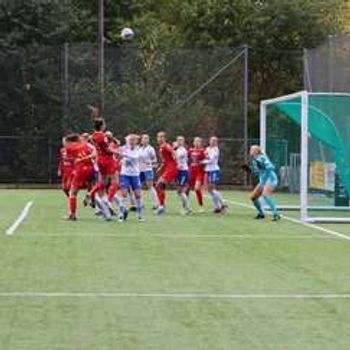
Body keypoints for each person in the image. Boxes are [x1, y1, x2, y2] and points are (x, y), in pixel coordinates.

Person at [64, 134, 95, 221]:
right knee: (92, 185)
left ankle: (72, 215)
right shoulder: (86, 145)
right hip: (91, 168)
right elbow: (94, 152)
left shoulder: (70, 148)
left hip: (81, 169)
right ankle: (90, 196)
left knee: (72, 192)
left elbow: (68, 156)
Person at [249, 145, 281, 221]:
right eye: (250, 149)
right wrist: (250, 171)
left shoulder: (262, 158)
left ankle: (276, 214)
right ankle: (261, 213)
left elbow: (271, 167)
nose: (250, 151)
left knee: (265, 194)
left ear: (257, 151)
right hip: (263, 181)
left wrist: (264, 178)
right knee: (253, 197)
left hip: (271, 179)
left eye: (252, 149)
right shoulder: (254, 160)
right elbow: (258, 172)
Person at [117, 134, 144, 222]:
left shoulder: (138, 150)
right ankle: (121, 214)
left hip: (135, 175)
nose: (132, 142)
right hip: (125, 174)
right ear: (127, 141)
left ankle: (140, 215)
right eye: (130, 140)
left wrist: (123, 154)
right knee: (123, 194)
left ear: (136, 141)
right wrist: (119, 157)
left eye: (134, 140)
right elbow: (117, 156)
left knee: (138, 195)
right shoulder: (123, 148)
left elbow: (135, 157)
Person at [155, 131, 178, 215]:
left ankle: (162, 206)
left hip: (171, 169)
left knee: (159, 185)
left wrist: (176, 159)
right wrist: (160, 168)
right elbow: (165, 161)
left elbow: (172, 152)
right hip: (168, 169)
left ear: (164, 138)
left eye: (161, 137)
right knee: (160, 186)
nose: (160, 139)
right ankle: (162, 206)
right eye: (158, 137)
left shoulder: (165, 145)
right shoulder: (161, 147)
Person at [203, 136, 226, 213]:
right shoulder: (207, 149)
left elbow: (211, 160)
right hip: (208, 170)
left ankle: (222, 204)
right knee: (209, 190)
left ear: (216, 142)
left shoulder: (216, 150)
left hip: (213, 170)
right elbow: (205, 156)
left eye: (214, 141)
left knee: (212, 188)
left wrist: (201, 162)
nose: (212, 142)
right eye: (211, 140)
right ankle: (217, 207)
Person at [139, 134, 159, 209]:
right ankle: (140, 203)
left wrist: (149, 162)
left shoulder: (150, 149)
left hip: (148, 169)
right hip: (140, 169)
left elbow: (155, 159)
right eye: (144, 138)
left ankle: (156, 204)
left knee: (149, 186)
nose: (145, 140)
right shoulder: (139, 149)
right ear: (141, 140)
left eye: (147, 138)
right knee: (138, 186)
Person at [174, 136, 191, 214]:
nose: (179, 141)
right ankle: (185, 207)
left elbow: (177, 159)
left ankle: (188, 208)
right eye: (178, 140)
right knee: (179, 191)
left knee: (181, 190)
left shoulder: (182, 150)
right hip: (179, 171)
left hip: (183, 171)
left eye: (181, 140)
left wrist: (173, 150)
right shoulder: (177, 149)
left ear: (183, 142)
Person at [188, 137, 206, 211]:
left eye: (198, 141)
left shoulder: (203, 151)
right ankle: (186, 206)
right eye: (195, 141)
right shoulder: (190, 150)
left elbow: (207, 159)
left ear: (201, 143)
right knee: (186, 189)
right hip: (191, 171)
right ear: (193, 142)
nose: (197, 143)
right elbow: (185, 157)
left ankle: (201, 206)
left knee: (197, 188)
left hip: (200, 172)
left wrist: (202, 162)